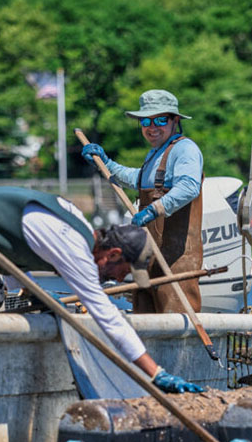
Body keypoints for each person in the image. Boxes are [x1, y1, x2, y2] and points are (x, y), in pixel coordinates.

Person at [0, 186, 203, 394]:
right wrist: (156, 373)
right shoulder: (74, 247)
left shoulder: (74, 222)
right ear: (111, 254)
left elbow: (14, 248)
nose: (113, 280)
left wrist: (34, 294)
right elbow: (107, 317)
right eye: (121, 272)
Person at [81, 89, 204, 314]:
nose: (152, 126)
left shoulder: (185, 149)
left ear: (175, 120)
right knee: (145, 320)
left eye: (160, 119)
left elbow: (189, 187)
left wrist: (154, 210)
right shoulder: (155, 154)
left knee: (176, 321)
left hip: (176, 262)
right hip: (148, 261)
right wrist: (106, 164)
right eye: (145, 120)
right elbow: (137, 179)